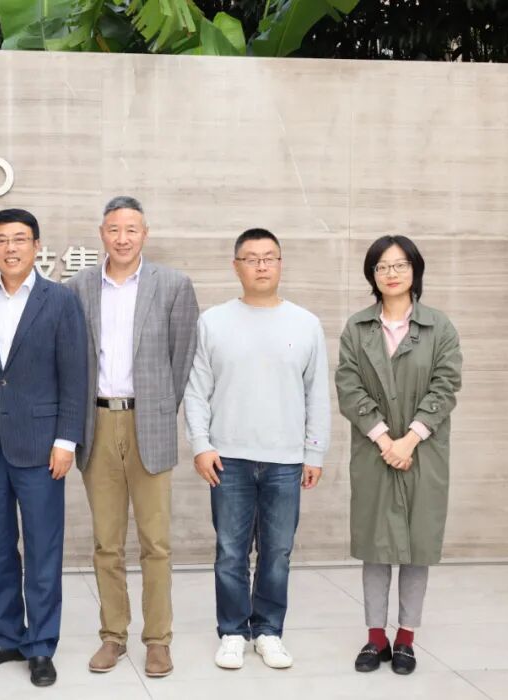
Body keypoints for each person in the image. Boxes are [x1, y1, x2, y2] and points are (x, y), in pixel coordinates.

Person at [184, 228, 330, 671]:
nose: (261, 265)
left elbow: (317, 393)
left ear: (281, 264)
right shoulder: (213, 321)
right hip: (227, 458)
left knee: (277, 552)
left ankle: (268, 632)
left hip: (286, 459)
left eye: (270, 257)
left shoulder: (306, 323)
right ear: (236, 267)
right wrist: (201, 444)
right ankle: (232, 631)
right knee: (230, 551)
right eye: (251, 258)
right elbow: (196, 389)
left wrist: (315, 452)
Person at [0, 208, 88, 687]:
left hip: (42, 447)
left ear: (36, 246)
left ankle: (41, 644)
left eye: (20, 239)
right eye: (1, 240)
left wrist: (66, 440)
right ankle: (8, 635)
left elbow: (75, 375)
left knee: (43, 549)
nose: (10, 248)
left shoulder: (61, 300)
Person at [65, 196, 198, 678]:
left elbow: (182, 357)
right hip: (97, 423)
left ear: (145, 234)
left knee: (155, 542)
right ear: (102, 233)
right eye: (114, 230)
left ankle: (158, 640)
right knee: (106, 542)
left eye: (131, 230)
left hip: (149, 422)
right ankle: (113, 635)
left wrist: (160, 409)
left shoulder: (173, 285)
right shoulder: (77, 287)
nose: (122, 239)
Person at [335, 235, 462, 675]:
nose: (391, 273)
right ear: (372, 274)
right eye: (382, 266)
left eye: (400, 265)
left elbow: (446, 386)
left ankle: (406, 639)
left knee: (416, 545)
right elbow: (348, 387)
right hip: (374, 450)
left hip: (423, 451)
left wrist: (409, 439)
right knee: (376, 545)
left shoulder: (439, 327)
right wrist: (385, 439)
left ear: (415, 270)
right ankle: (376, 638)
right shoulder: (357, 328)